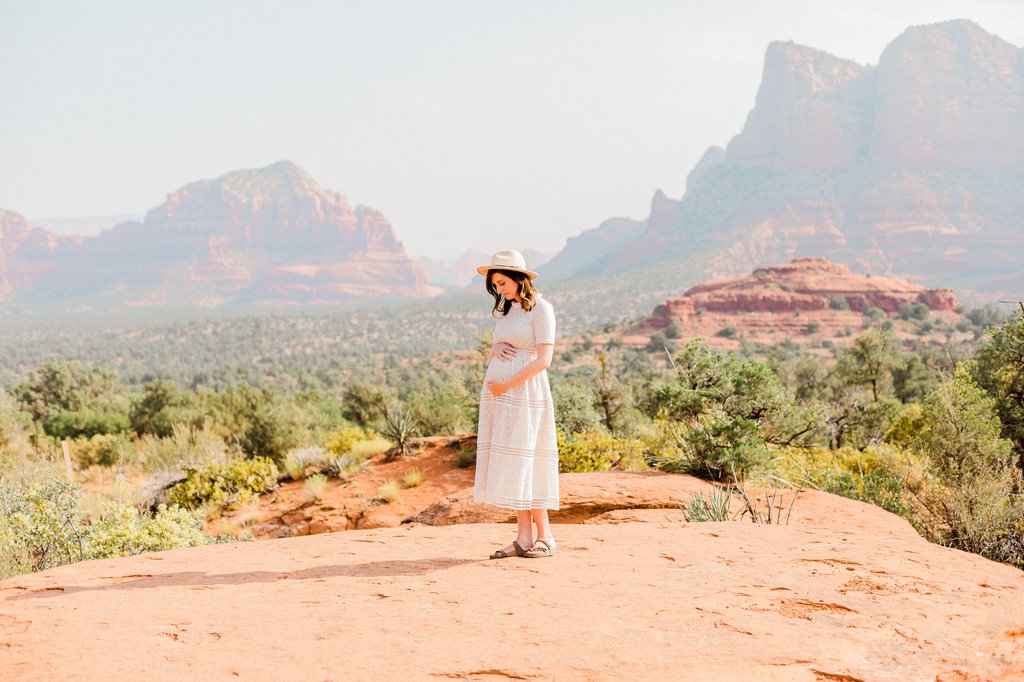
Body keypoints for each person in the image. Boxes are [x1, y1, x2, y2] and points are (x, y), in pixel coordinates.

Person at [474, 250, 559, 559]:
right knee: (515, 464)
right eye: (495, 286)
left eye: (503, 283)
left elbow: (544, 360)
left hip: (526, 394)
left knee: (530, 459)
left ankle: (545, 536)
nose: (500, 290)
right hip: (501, 399)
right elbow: (501, 350)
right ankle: (523, 537)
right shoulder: (507, 311)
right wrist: (494, 348)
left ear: (519, 279)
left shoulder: (541, 309)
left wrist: (507, 384)